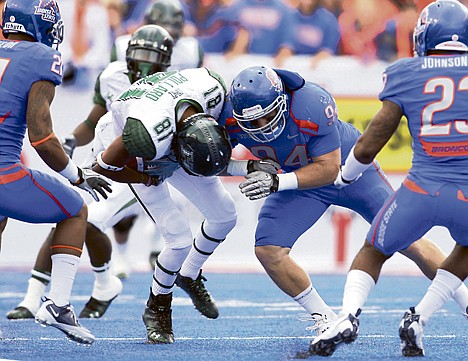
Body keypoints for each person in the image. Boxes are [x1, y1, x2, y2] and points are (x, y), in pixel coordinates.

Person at [218, 65, 468, 338]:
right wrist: (248, 167)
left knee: (408, 240)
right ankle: (324, 317)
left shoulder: (310, 103)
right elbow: (209, 161)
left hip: (348, 173)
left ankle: (466, 302)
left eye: (266, 117)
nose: (260, 127)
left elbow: (329, 168)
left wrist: (278, 181)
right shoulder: (229, 116)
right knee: (268, 250)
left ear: (282, 100)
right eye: (251, 123)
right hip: (301, 181)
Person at [310, 0, 468, 357]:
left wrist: (347, 176)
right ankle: (420, 318)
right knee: (466, 250)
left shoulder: (408, 71)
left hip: (420, 189)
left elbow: (373, 138)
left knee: (373, 251)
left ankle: (348, 316)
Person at [6, 24, 175, 320]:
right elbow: (93, 120)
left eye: (152, 57)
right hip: (109, 165)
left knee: (82, 216)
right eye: (139, 55)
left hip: (148, 171)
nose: (144, 64)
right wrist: (71, 139)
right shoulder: (112, 76)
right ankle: (40, 297)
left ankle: (113, 282)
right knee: (73, 215)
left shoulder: (175, 86)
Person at [90, 67, 240, 343]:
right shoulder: (146, 134)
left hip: (170, 136)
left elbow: (214, 154)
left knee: (225, 215)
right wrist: (147, 176)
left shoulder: (213, 92)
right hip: (132, 151)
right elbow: (104, 166)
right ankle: (157, 307)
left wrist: (249, 166)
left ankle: (189, 273)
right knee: (178, 238)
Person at [0, 0, 111, 344]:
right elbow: (43, 139)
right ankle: (58, 304)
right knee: (75, 208)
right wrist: (77, 174)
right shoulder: (41, 57)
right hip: (4, 173)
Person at [110, 0, 204, 276]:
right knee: (122, 196)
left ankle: (155, 249)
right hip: (132, 118)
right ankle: (120, 256)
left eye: (171, 32)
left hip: (168, 124)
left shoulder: (190, 50)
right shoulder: (121, 46)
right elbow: (113, 84)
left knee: (177, 195)